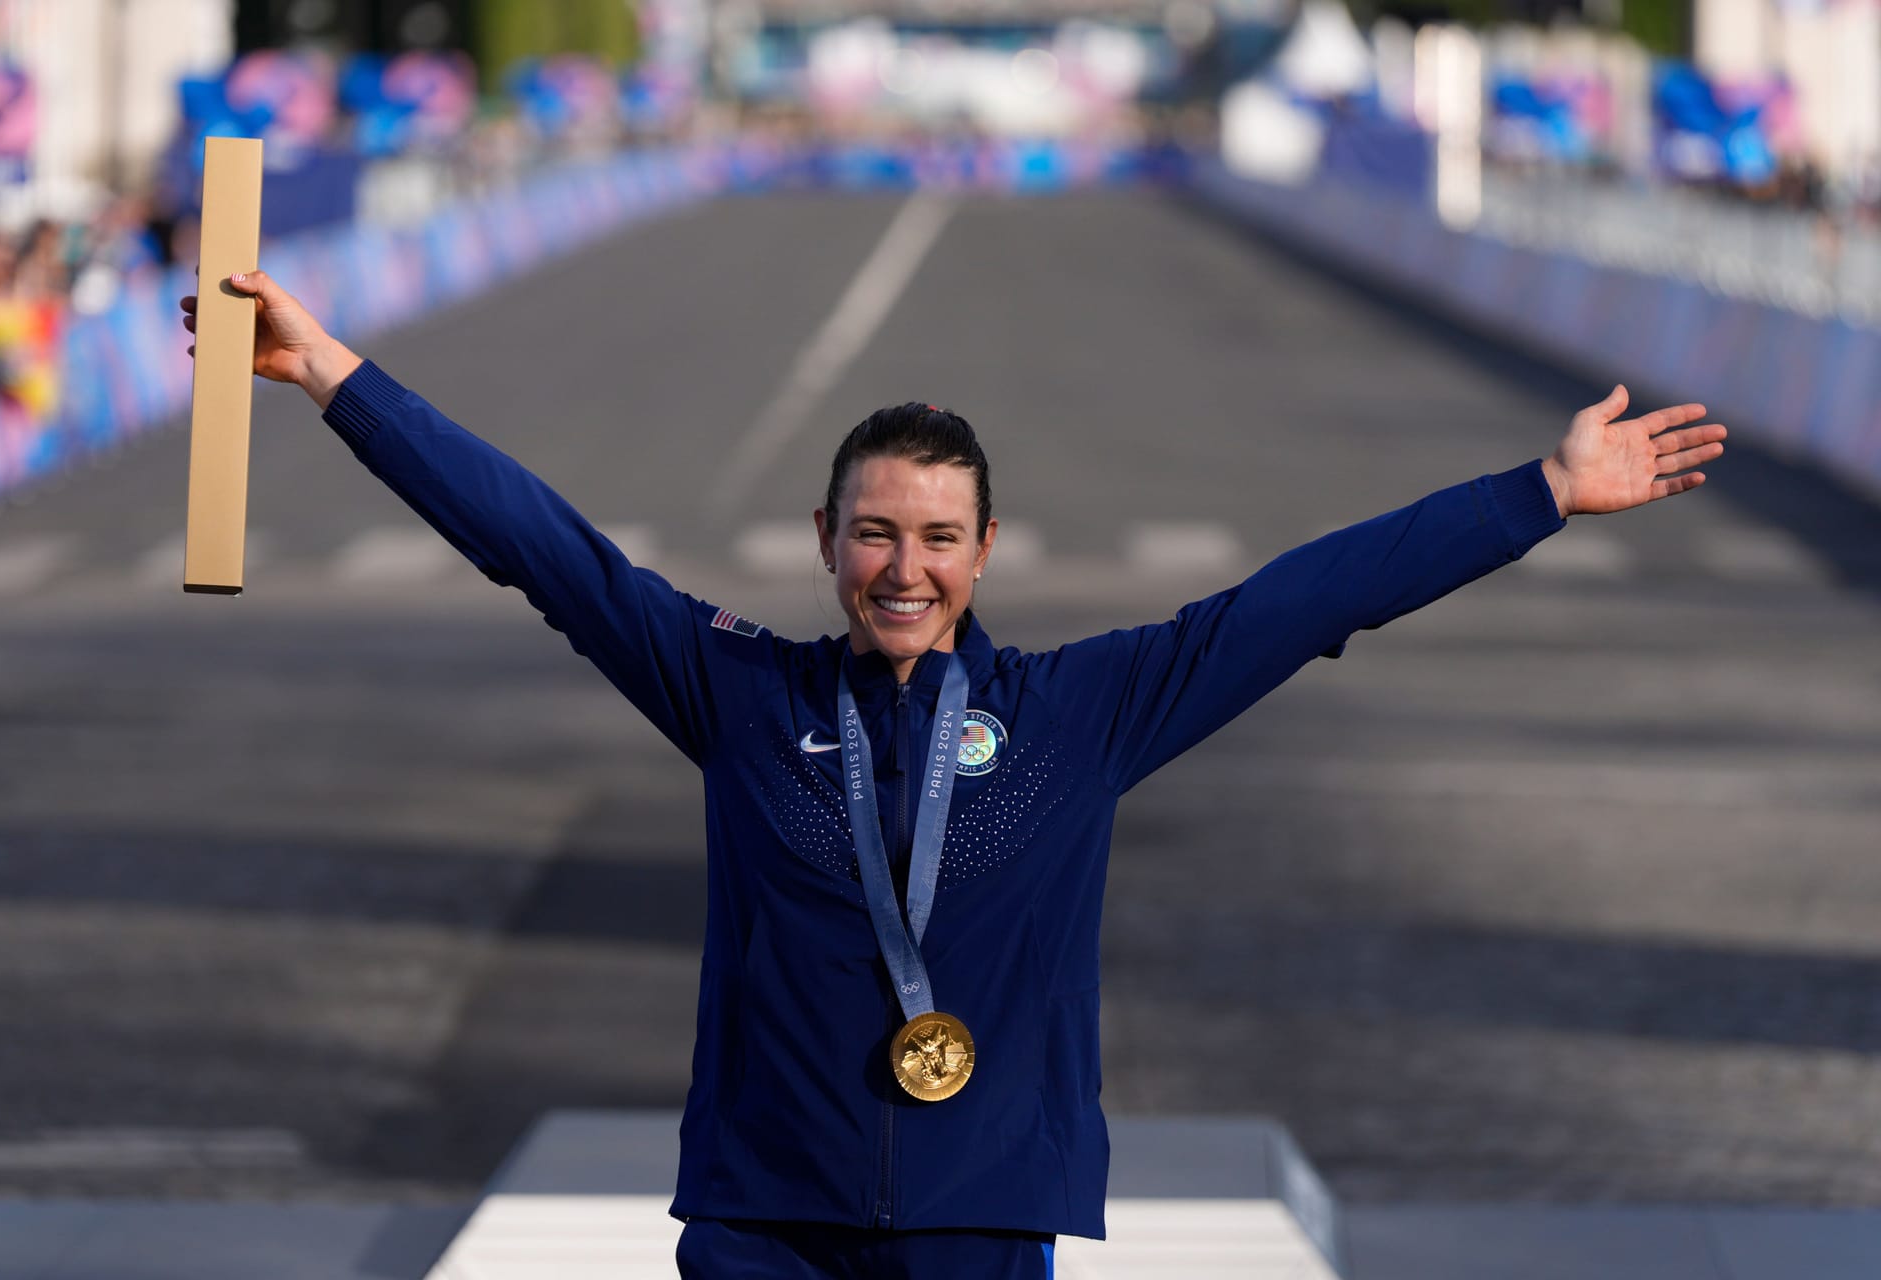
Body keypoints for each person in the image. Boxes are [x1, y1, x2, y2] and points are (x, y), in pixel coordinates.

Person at [181, 270, 1725, 1279]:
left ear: (984, 554)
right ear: (825, 544)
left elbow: (1308, 601)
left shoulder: (1083, 714)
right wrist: (335, 378)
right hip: (761, 1220)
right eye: (872, 533)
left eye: (934, 539)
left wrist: (1534, 494)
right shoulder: (737, 691)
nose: (901, 569)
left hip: (989, 1217)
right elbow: (544, 549)